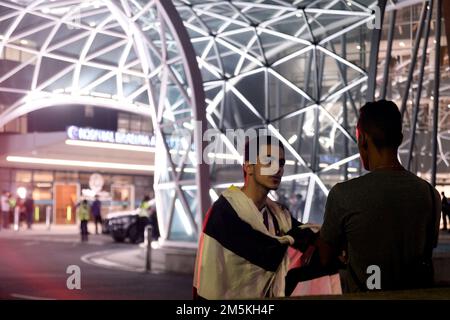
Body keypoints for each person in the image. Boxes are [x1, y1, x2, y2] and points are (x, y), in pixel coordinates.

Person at [318, 100, 441, 292]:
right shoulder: (430, 195)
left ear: (363, 139)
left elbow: (324, 257)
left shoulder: (344, 195)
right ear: (400, 139)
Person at [193, 134, 317, 299]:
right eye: (268, 161)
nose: (277, 169)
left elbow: (306, 236)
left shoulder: (280, 214)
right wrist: (296, 239)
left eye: (281, 163)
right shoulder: (224, 211)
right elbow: (261, 252)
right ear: (248, 166)